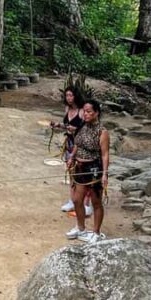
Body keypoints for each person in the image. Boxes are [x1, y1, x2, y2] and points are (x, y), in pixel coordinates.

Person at [65, 99, 110, 245]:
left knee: (96, 202)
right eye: (84, 111)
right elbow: (78, 144)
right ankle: (81, 228)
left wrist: (105, 173)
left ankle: (96, 232)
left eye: (89, 111)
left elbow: (105, 154)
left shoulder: (102, 132)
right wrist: (72, 156)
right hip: (79, 168)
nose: (86, 114)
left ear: (96, 113)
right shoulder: (82, 126)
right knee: (77, 200)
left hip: (94, 169)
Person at [49, 86, 93, 218]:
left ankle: (87, 204)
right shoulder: (67, 109)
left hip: (81, 146)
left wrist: (75, 129)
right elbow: (67, 126)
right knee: (71, 173)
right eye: (67, 95)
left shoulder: (82, 111)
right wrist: (58, 125)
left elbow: (86, 128)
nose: (68, 98)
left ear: (76, 96)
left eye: (71, 95)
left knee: (84, 174)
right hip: (69, 144)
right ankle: (73, 200)